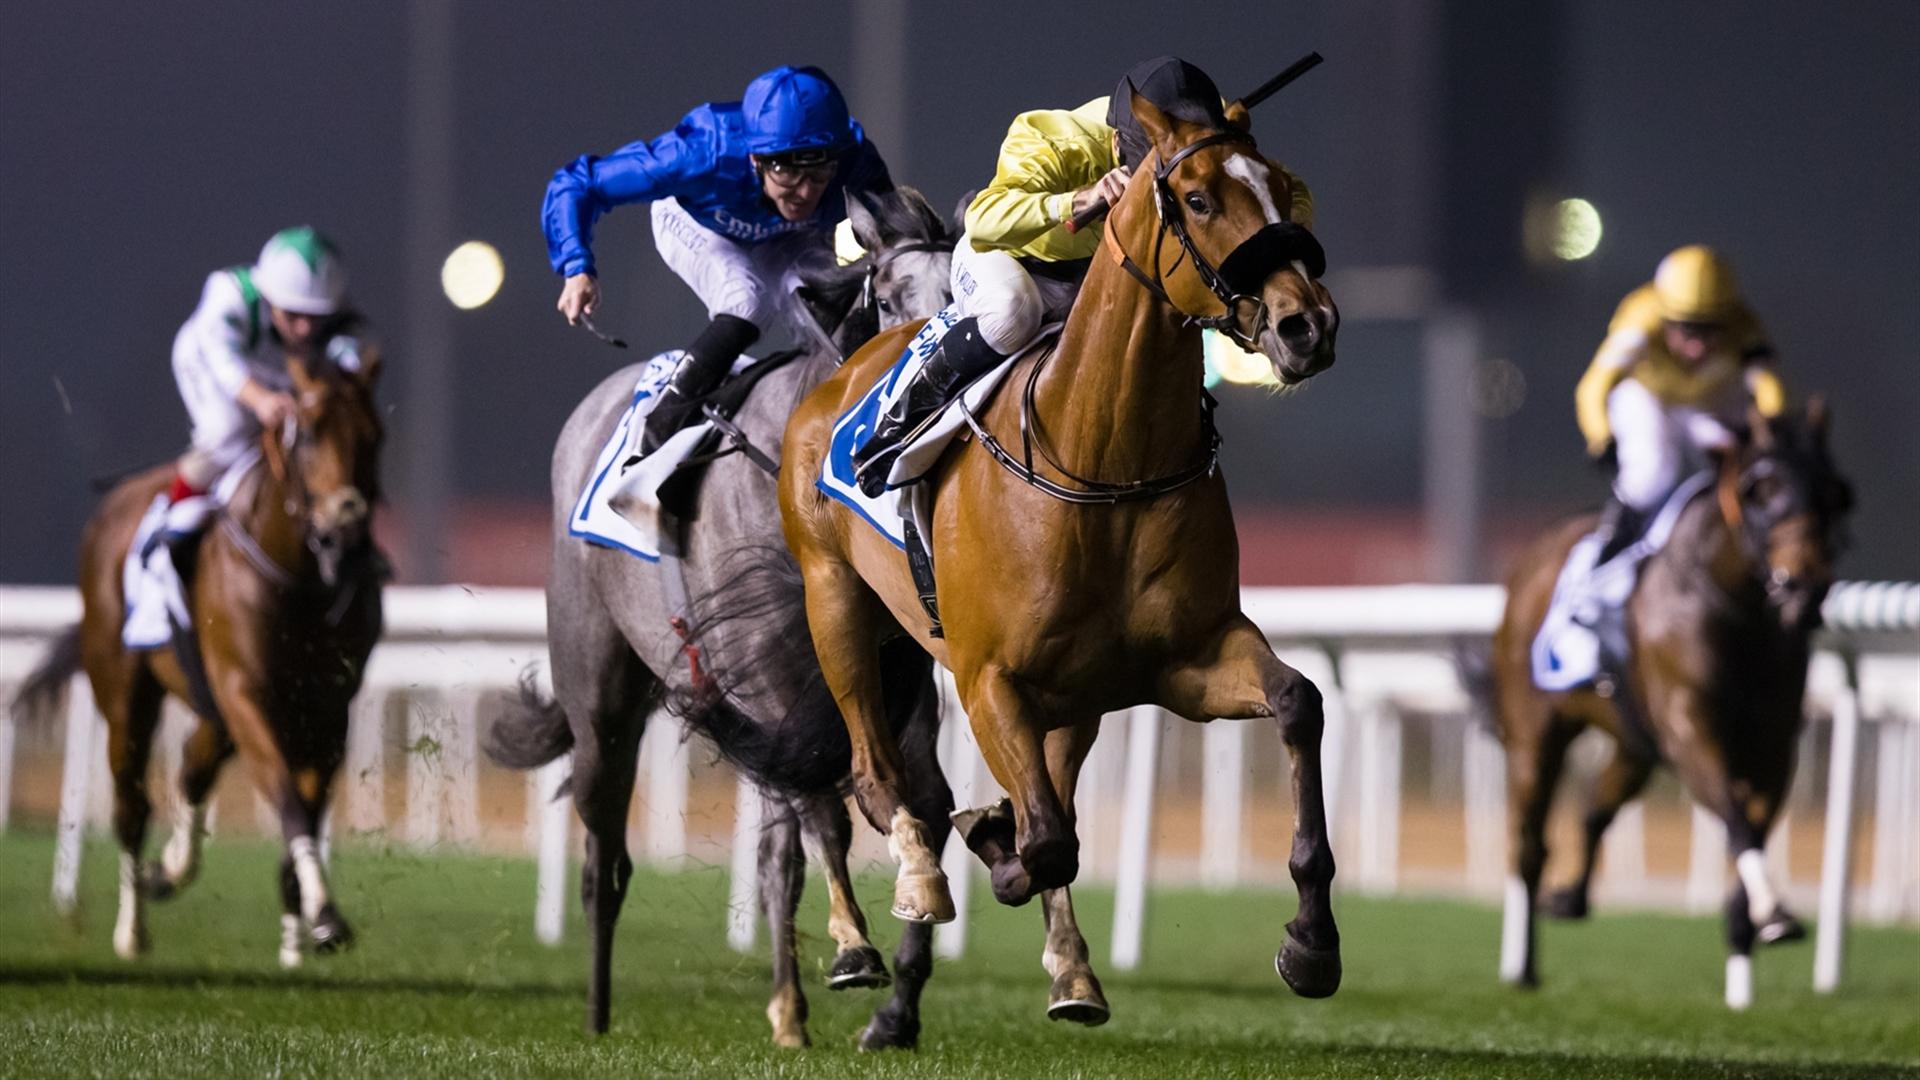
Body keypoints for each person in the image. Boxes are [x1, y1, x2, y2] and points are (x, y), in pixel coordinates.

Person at [852, 55, 1314, 496]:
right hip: (1010, 259)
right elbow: (983, 220)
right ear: (1118, 146)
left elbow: (1290, 191)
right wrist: (1076, 199)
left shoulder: (1200, 146)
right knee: (1014, 314)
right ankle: (899, 424)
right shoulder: (1051, 138)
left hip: (1095, 276)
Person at [542, 64, 893, 455]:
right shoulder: (702, 152)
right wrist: (576, 266)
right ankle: (656, 434)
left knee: (832, 312)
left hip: (786, 237)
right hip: (697, 223)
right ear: (755, 158)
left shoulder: (856, 158)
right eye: (787, 170)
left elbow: (897, 237)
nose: (805, 191)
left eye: (819, 170)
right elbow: (576, 182)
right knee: (747, 300)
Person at [164, 226, 367, 567]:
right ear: (270, 298)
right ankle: (174, 518)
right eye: (293, 315)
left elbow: (353, 358)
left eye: (315, 317)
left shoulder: (337, 310)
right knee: (226, 432)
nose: (305, 329)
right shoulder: (229, 294)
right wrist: (260, 400)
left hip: (276, 375)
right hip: (207, 365)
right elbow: (223, 362)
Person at [1573, 244, 1786, 563]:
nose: (1698, 346)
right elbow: (1593, 386)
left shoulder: (1745, 327)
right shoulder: (1642, 317)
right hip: (1648, 396)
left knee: (1736, 468)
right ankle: (1609, 550)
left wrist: (1772, 436)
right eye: (1687, 329)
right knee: (1650, 476)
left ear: (1728, 320)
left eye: (1711, 330)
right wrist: (1600, 437)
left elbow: (1771, 391)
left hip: (1703, 404)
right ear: (1665, 319)